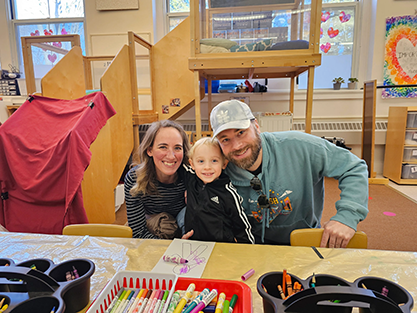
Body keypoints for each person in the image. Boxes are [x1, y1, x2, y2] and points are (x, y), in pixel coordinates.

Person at [209, 100, 369, 248]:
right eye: (225, 139)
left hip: (305, 241)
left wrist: (347, 217)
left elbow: (353, 167)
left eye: (241, 132)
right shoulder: (218, 167)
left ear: (256, 126)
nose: (236, 145)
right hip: (252, 246)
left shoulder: (300, 146)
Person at [124, 120, 191, 239]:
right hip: (152, 230)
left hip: (182, 228)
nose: (171, 156)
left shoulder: (191, 176)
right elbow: (138, 232)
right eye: (163, 147)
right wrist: (170, 248)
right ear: (149, 150)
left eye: (177, 148)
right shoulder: (135, 179)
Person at [183, 137, 255, 244]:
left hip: (221, 248)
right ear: (192, 164)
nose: (207, 167)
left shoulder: (228, 194)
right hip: (194, 245)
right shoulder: (191, 178)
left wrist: (249, 251)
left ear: (224, 164)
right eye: (201, 161)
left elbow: (242, 226)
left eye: (214, 161)